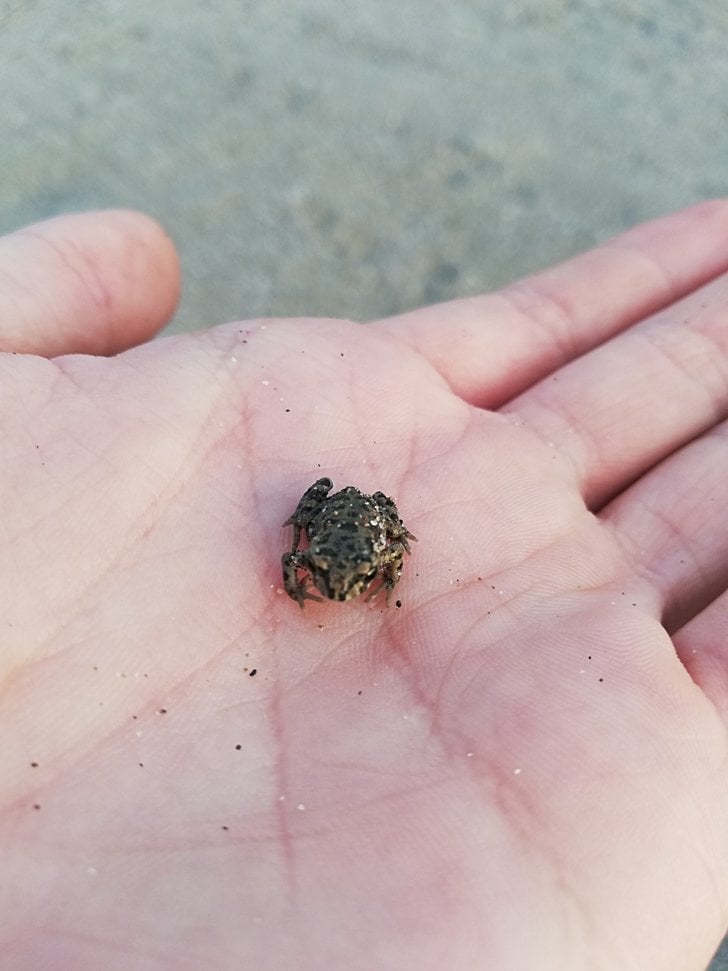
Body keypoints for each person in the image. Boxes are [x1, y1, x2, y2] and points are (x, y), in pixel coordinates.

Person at [1, 203, 727, 970]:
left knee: (386, 522)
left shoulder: (363, 565)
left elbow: (382, 551)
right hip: (339, 517)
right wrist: (308, 567)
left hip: (366, 520)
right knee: (325, 509)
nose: (337, 591)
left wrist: (385, 562)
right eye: (333, 582)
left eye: (343, 583)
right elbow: (294, 564)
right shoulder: (310, 563)